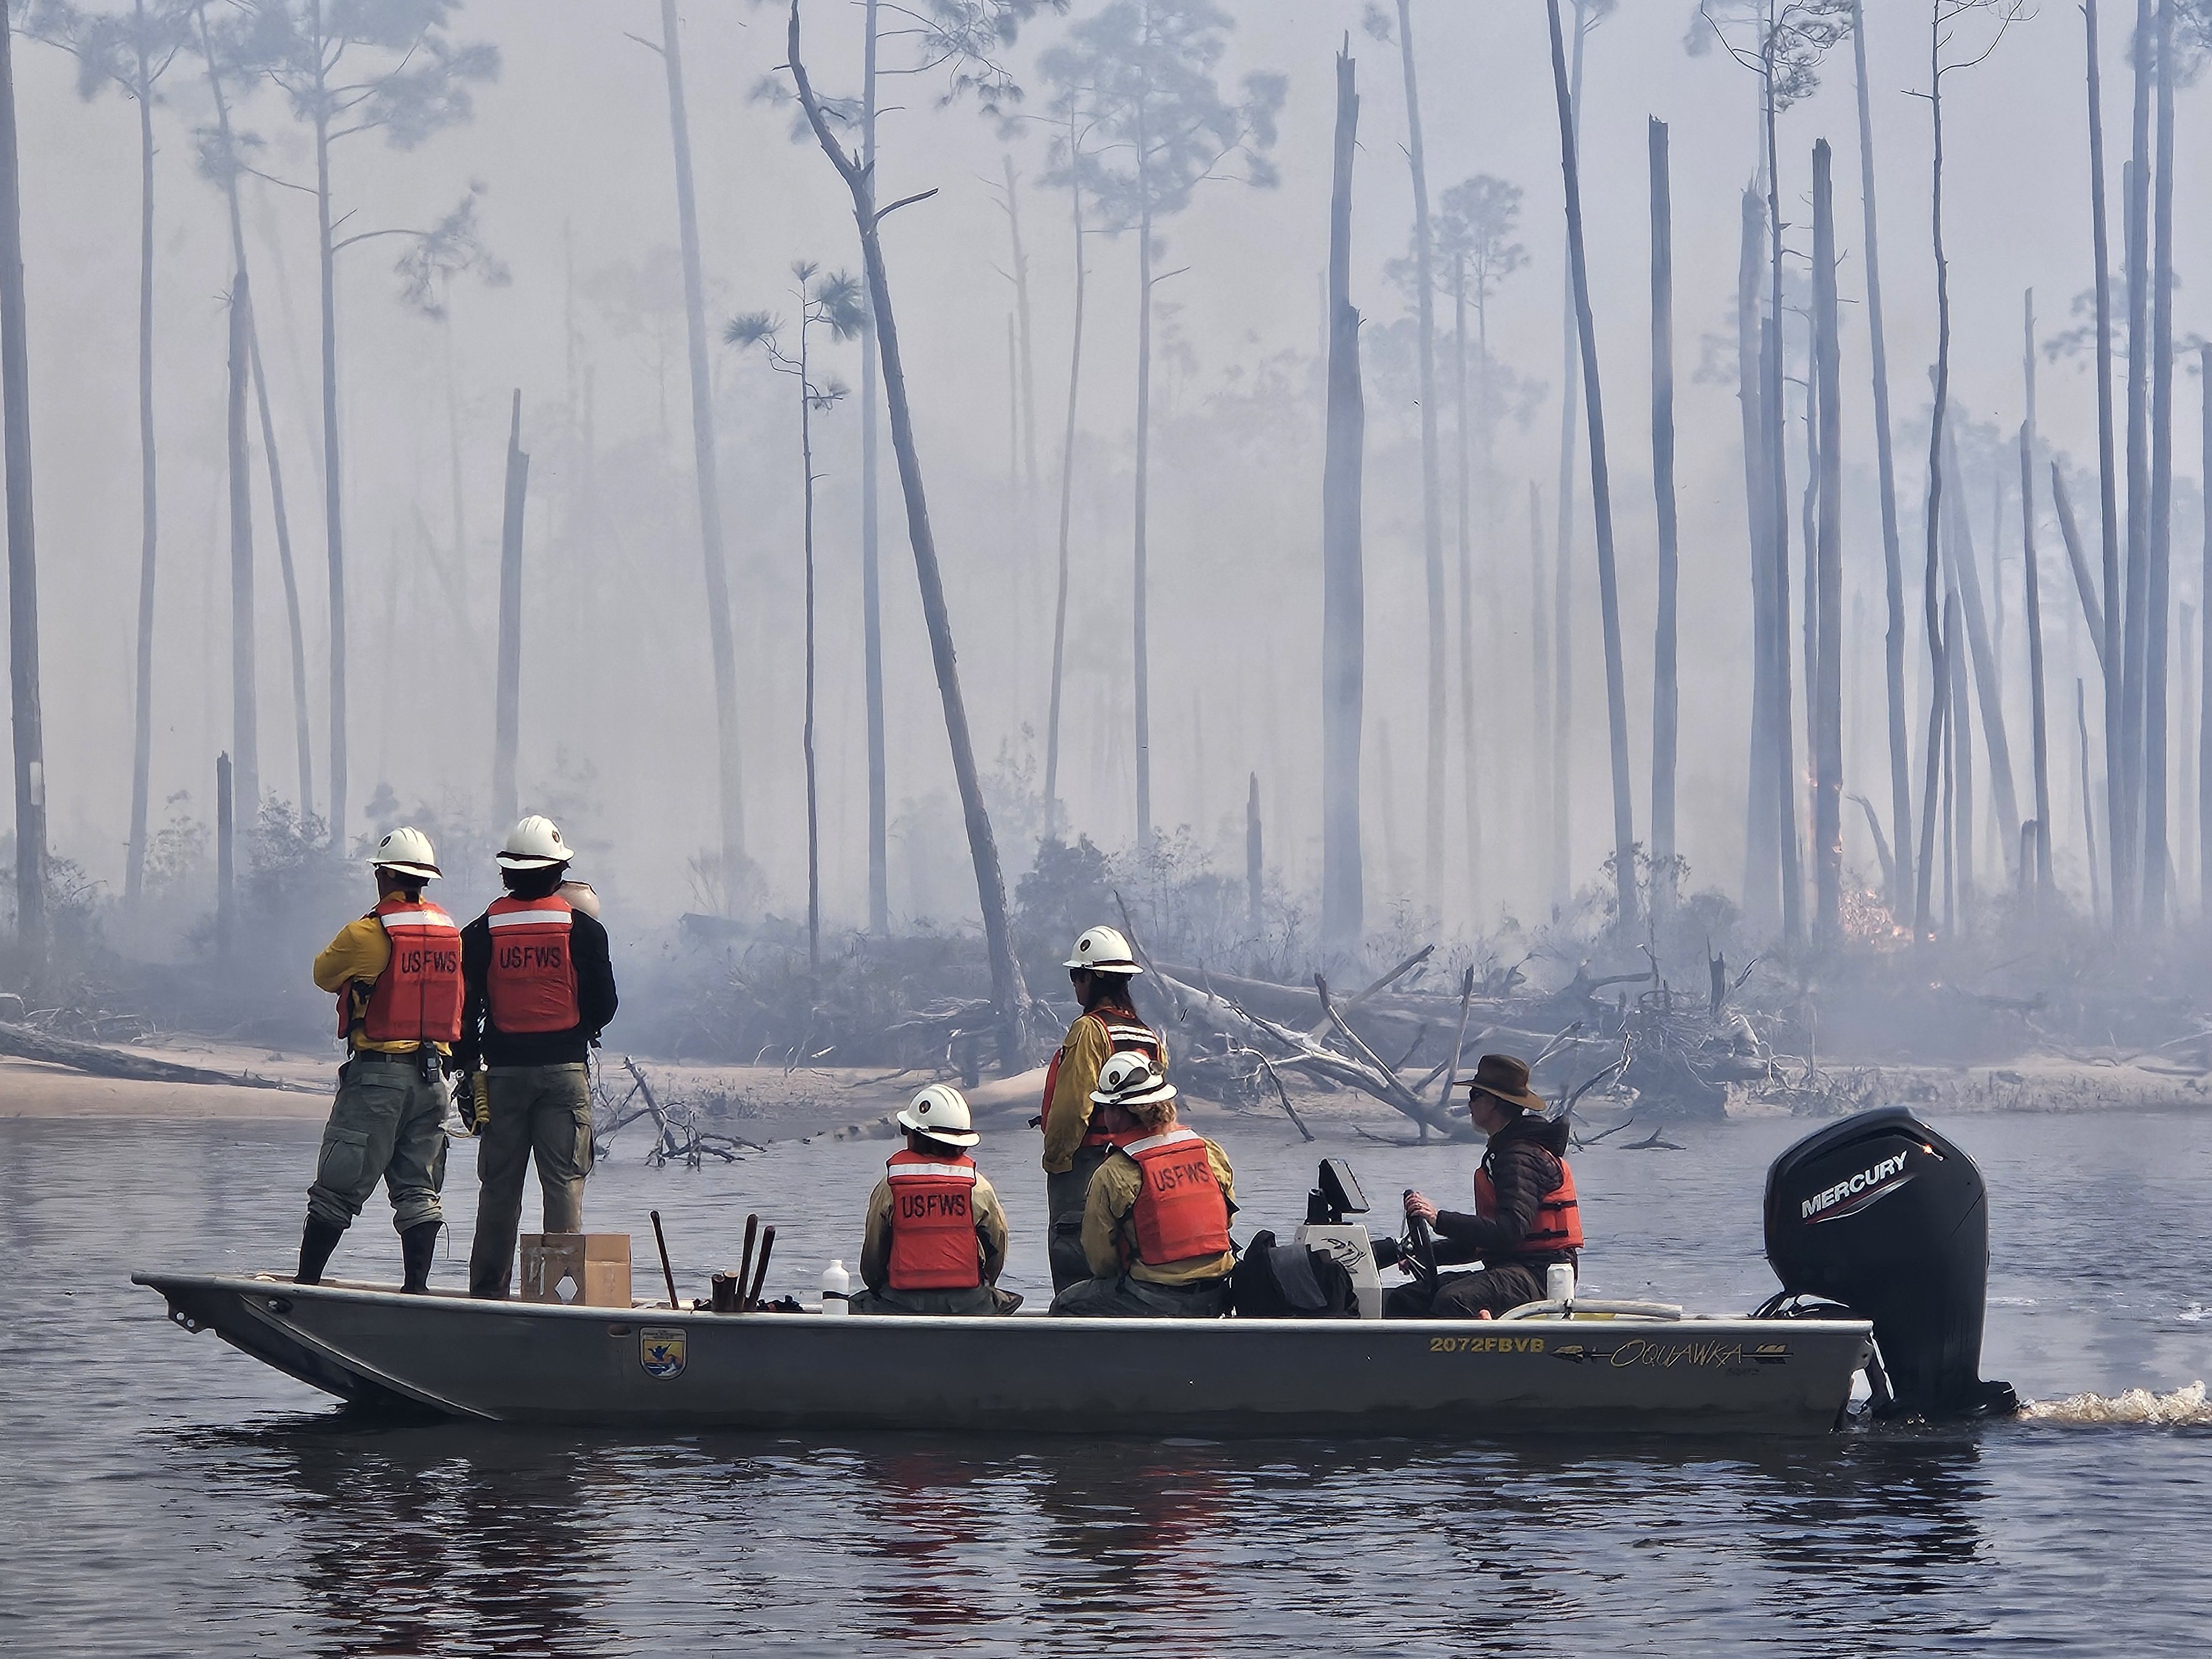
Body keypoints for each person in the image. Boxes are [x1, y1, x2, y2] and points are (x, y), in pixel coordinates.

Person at [456, 816, 620, 1300]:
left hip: (503, 1076)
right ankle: (558, 1297)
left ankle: (487, 1293)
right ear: (559, 873)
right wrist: (578, 1031)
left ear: (506, 874)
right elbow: (605, 1005)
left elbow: (464, 1009)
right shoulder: (584, 929)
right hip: (564, 1073)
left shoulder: (479, 933)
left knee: (499, 1190)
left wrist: (467, 1065)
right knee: (564, 1185)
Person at [296, 827, 462, 1292]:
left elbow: (323, 974)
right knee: (419, 1188)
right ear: (426, 878)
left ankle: (305, 1286)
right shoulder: (451, 933)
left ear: (383, 875)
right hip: (434, 1082)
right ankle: (417, 1290)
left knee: (338, 1185)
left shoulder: (365, 934)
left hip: (378, 1081)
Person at [1384, 1053, 1582, 1319]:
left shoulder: (1520, 1158)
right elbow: (1486, 1243)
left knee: (1453, 1300)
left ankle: (1486, 1342)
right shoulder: (1506, 1153)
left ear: (1495, 1102)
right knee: (1407, 1299)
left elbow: (1509, 1232)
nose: (1469, 1104)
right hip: (1512, 1269)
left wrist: (1438, 1218)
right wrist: (1424, 1253)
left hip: (1538, 1275)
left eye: (1475, 1095)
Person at [1051, 1055, 1236, 1318]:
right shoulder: (1209, 1151)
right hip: (1218, 1293)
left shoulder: (1113, 1173)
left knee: (1066, 1303)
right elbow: (1227, 1220)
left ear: (1119, 1113)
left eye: (1105, 1108)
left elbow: (1100, 1258)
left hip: (1154, 1297)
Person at [1039, 925, 1166, 1291]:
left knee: (1074, 1260)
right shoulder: (1149, 1036)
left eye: (1076, 976)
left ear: (1092, 978)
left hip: (1086, 1165)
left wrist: (1057, 1163)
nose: (1074, 985)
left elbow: (1071, 1110)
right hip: (1138, 1165)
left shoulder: (1089, 1031)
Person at [851, 1086, 1019, 1316]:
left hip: (900, 1301)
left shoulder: (890, 1185)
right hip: (969, 1302)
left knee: (852, 1305)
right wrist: (983, 1285)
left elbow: (873, 1258)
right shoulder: (978, 1186)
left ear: (915, 1136)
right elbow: (997, 1245)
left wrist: (881, 1290)